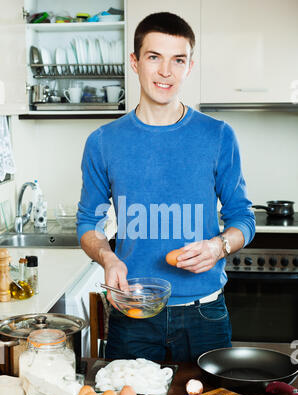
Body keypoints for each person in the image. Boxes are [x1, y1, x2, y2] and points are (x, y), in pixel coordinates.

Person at [77, 12, 255, 363]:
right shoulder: (103, 142)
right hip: (134, 313)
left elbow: (243, 219)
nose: (165, 72)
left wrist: (219, 246)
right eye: (154, 57)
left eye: (178, 60)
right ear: (135, 62)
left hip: (204, 314)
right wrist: (107, 257)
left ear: (190, 66)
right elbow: (88, 225)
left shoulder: (217, 135)